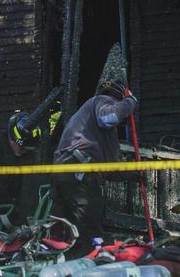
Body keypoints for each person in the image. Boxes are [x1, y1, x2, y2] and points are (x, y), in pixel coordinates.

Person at [51, 79, 139, 256]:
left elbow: (108, 169)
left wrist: (132, 174)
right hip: (78, 171)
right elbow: (109, 117)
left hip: (69, 172)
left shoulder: (94, 130)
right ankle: (92, 265)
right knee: (90, 224)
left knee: (65, 231)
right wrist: (130, 102)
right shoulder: (102, 101)